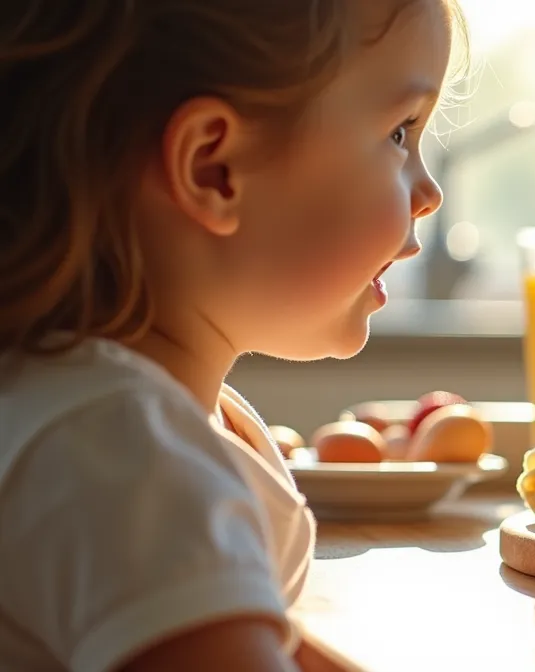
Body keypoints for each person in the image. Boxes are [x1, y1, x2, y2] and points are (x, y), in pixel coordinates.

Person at [0, 0, 464, 669]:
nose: (429, 193)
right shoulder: (126, 455)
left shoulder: (147, 418)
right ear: (213, 169)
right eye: (398, 133)